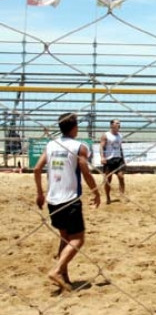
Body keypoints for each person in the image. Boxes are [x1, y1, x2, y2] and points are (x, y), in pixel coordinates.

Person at [34, 113, 100, 292]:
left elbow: (37, 168)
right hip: (70, 199)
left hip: (52, 199)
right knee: (78, 239)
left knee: (65, 238)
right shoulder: (80, 147)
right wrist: (96, 191)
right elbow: (85, 172)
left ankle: (64, 276)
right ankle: (56, 271)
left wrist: (40, 193)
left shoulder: (51, 144)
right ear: (74, 127)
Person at [100, 119, 126, 204]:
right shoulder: (106, 135)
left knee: (121, 177)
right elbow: (101, 147)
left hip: (118, 159)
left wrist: (123, 158)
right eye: (117, 123)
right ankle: (108, 197)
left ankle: (122, 196)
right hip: (109, 160)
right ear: (111, 125)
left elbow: (120, 148)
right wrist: (102, 157)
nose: (119, 124)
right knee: (108, 180)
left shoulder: (120, 136)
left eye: (119, 123)